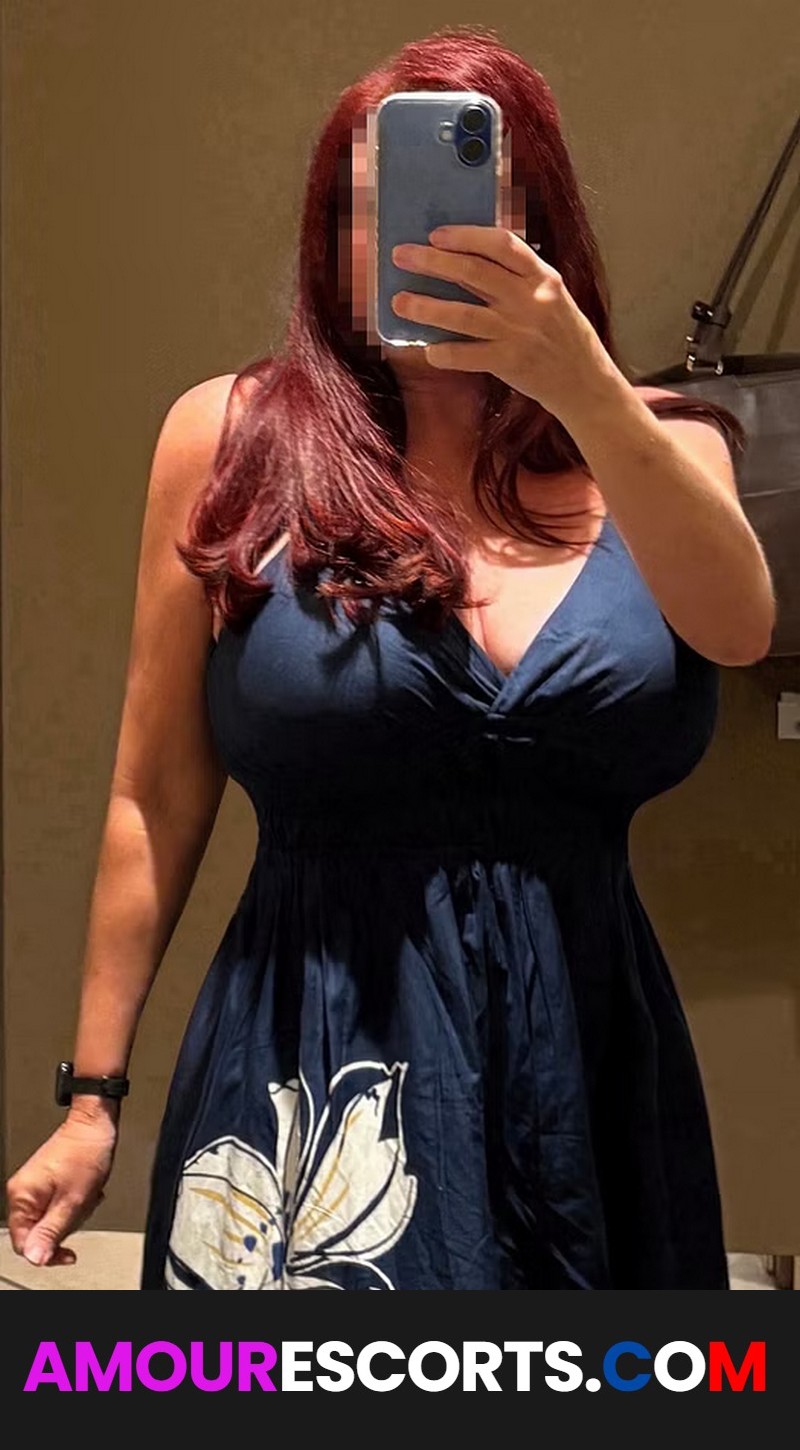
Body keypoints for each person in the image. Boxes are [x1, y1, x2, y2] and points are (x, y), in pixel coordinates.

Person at [6, 29, 775, 1290]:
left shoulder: (661, 448)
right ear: (331, 240)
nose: (417, 235)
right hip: (307, 1060)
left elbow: (738, 629)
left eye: (477, 199)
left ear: (542, 229)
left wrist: (582, 385)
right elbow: (153, 795)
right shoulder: (230, 442)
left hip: (583, 1077)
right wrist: (92, 1098)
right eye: (371, 206)